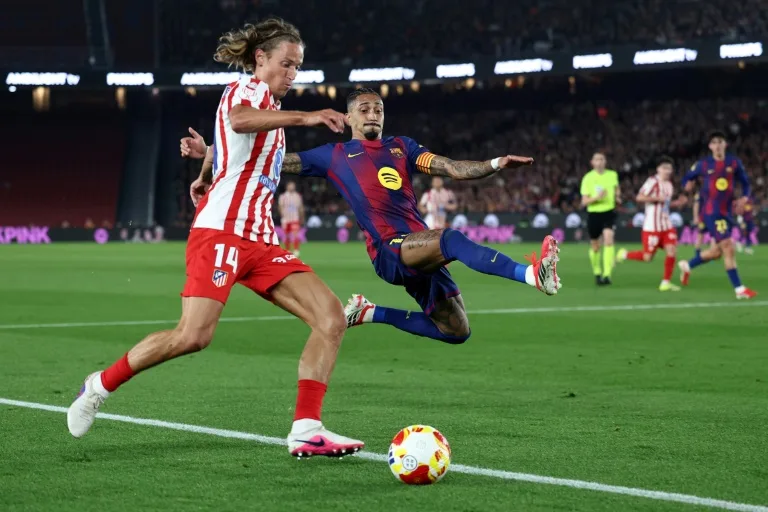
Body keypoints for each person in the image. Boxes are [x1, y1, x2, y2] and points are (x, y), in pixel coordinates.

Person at [69, 18, 365, 458]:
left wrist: (206, 165)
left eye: (297, 67)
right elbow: (240, 120)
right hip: (222, 231)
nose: (292, 74)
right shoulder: (246, 90)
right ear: (260, 58)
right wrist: (309, 116)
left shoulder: (271, 112)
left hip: (260, 239)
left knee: (331, 317)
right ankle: (99, 385)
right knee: (193, 335)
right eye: (286, 64)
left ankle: (307, 428)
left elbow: (235, 149)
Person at [184, 88, 561, 346]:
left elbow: (450, 167)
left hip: (418, 249)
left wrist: (495, 164)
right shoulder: (333, 155)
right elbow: (272, 161)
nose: (372, 114)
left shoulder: (402, 147)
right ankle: (532, 275)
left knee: (455, 330)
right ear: (348, 116)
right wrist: (212, 151)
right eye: (364, 109)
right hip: (389, 250)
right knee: (449, 239)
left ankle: (369, 312)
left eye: (378, 109)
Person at [678, 131, 757, 299]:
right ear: (710, 146)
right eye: (714, 142)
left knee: (716, 252)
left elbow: (745, 183)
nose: (717, 145)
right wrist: (687, 186)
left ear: (725, 144)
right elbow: (687, 178)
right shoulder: (703, 164)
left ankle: (687, 265)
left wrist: (744, 198)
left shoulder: (734, 162)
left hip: (727, 212)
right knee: (728, 246)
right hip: (711, 211)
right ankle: (739, 289)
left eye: (720, 141)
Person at [616, 156, 686, 291]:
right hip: (652, 227)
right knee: (647, 257)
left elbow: (665, 205)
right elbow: (639, 197)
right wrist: (657, 198)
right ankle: (624, 254)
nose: (667, 171)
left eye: (669, 168)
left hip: (666, 225)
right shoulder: (652, 182)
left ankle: (665, 282)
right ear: (658, 169)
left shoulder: (669, 185)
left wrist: (676, 203)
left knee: (672, 251)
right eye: (664, 168)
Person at [580, 152, 620, 286]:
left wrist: (618, 197)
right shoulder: (588, 178)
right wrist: (597, 197)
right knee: (595, 246)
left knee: (608, 239)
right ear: (592, 162)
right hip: (594, 213)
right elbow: (584, 201)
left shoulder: (612, 175)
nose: (600, 161)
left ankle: (607, 274)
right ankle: (597, 272)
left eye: (602, 159)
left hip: (609, 212)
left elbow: (617, 189)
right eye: (597, 159)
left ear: (605, 161)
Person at [278, 181, 304, 256]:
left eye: (293, 186)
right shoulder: (283, 196)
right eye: (290, 185)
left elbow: (300, 207)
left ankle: (296, 250)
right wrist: (282, 216)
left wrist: (302, 217)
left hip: (295, 218)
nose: (292, 187)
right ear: (287, 187)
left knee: (295, 234)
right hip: (286, 219)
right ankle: (288, 250)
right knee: (286, 235)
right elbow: (280, 207)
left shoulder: (297, 196)